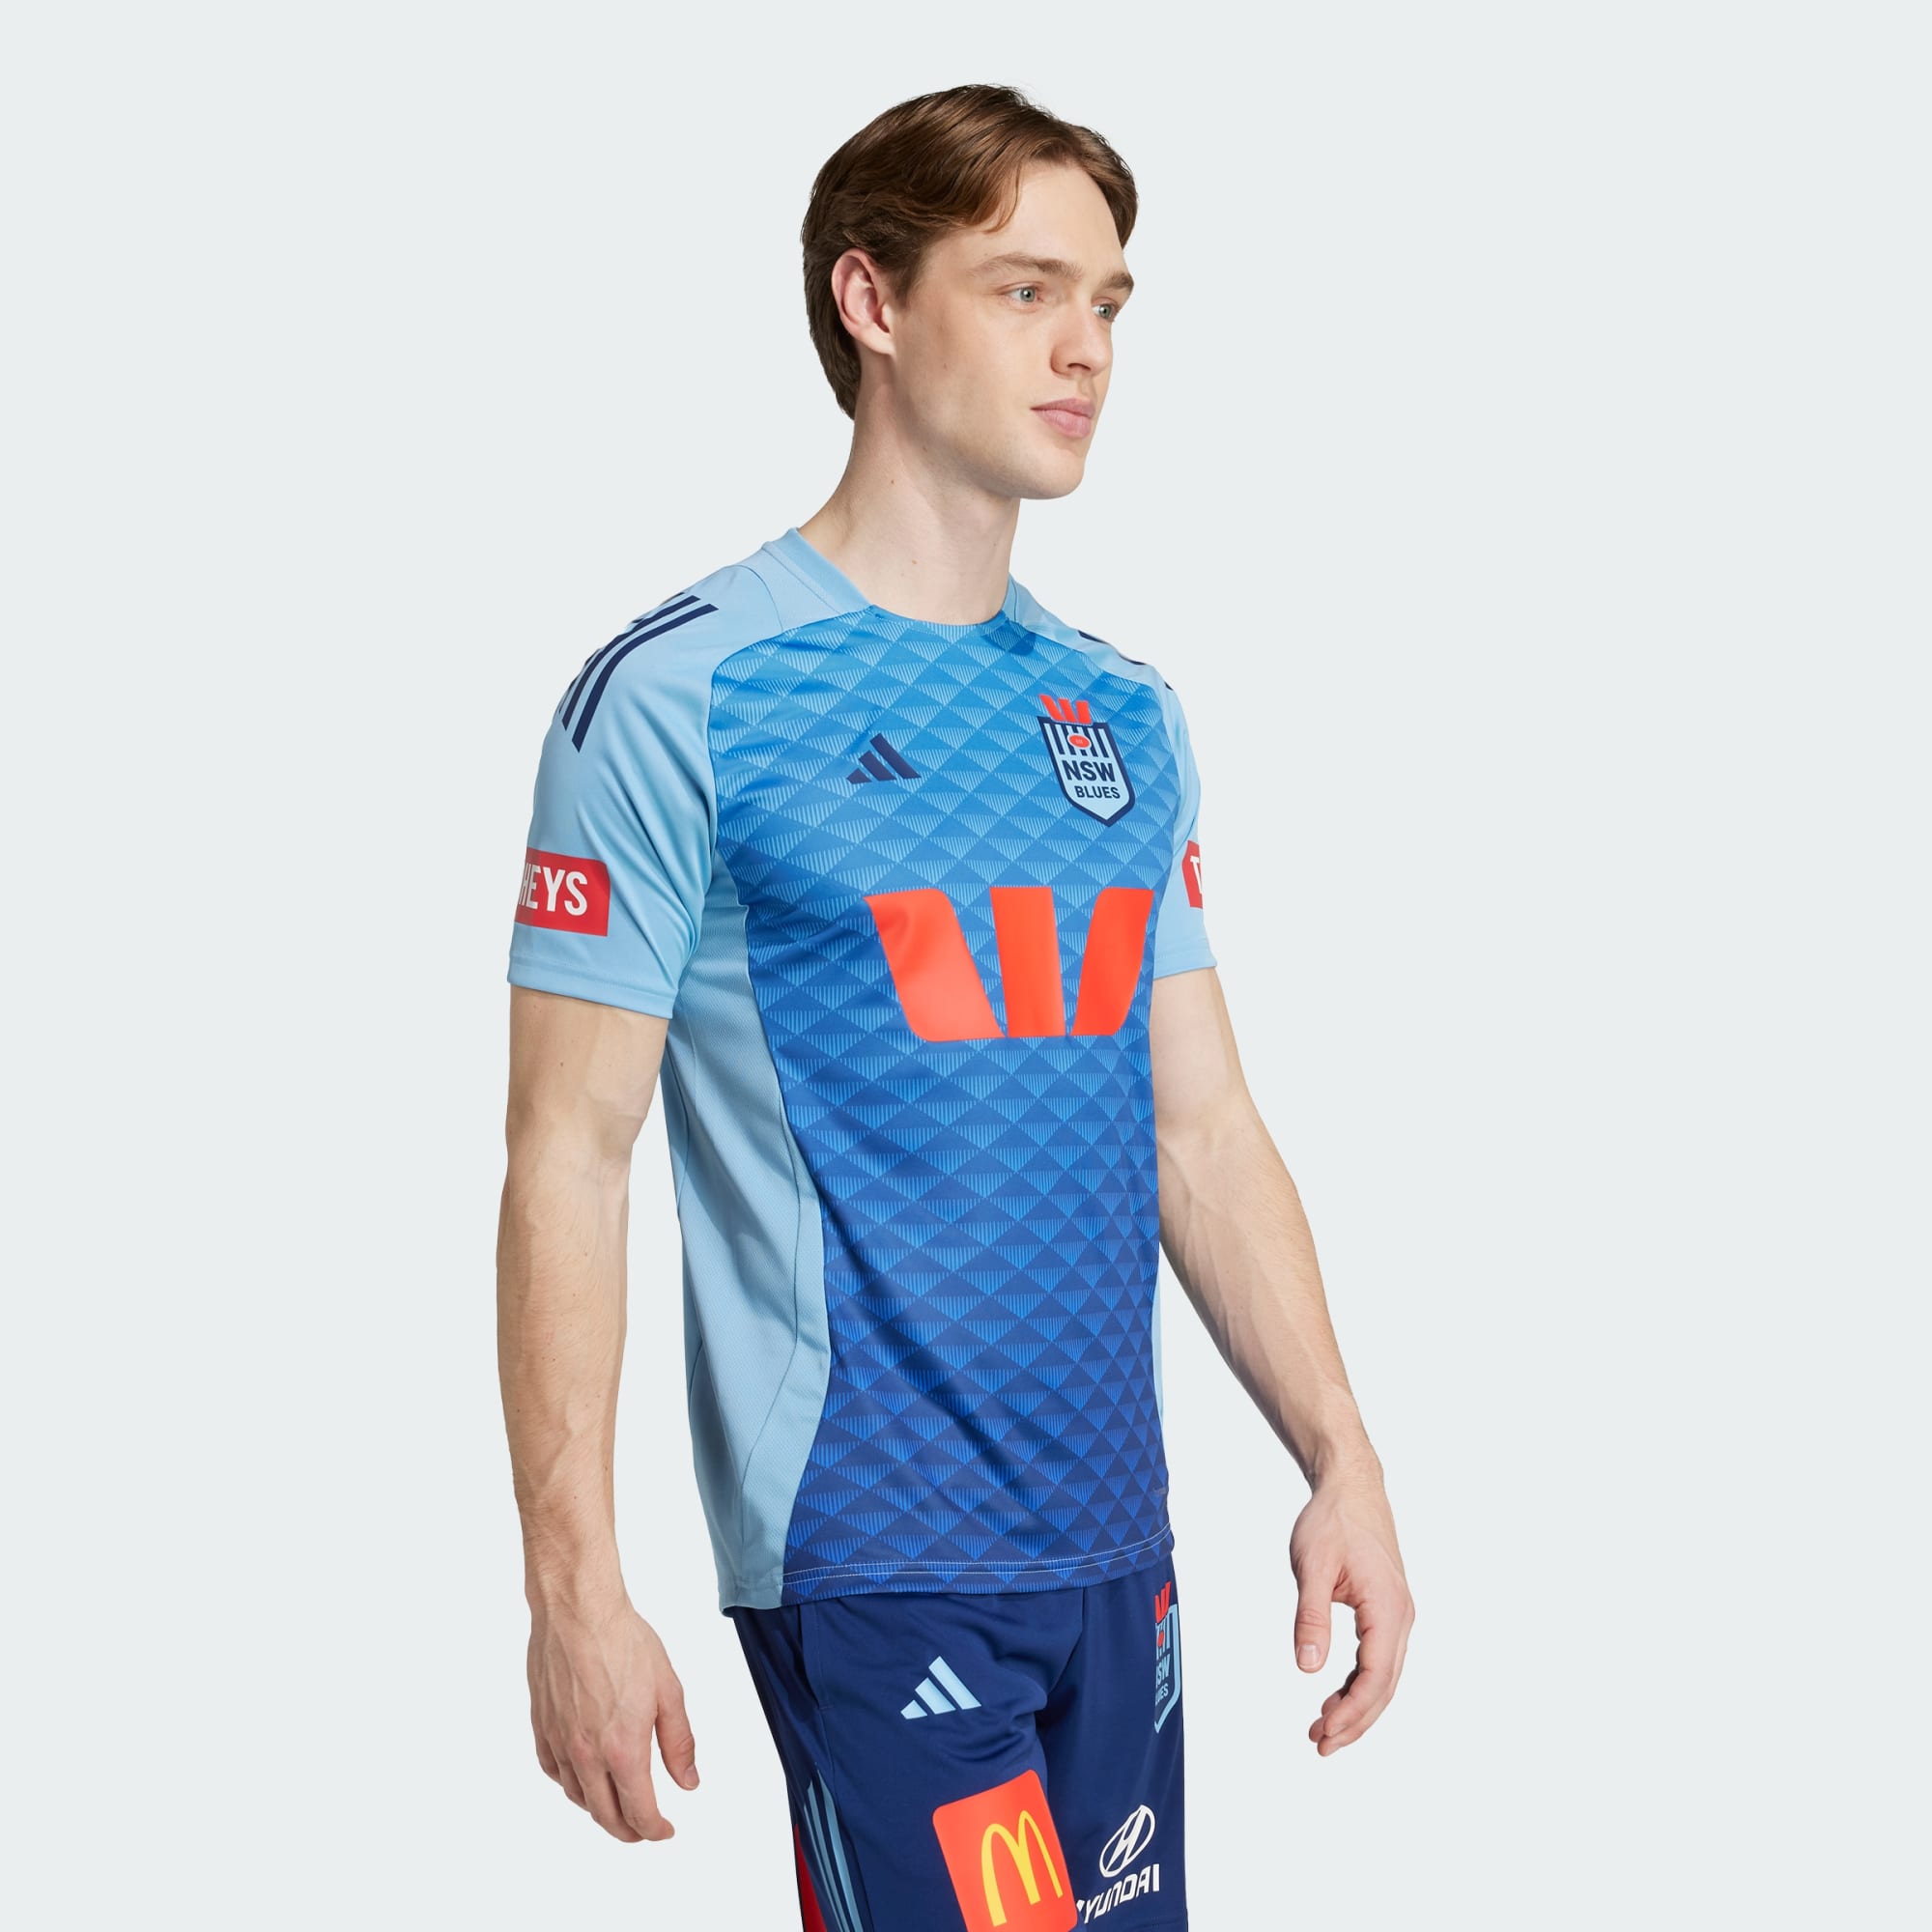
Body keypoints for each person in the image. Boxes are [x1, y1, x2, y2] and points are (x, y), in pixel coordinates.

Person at [497, 81, 1412, 1931]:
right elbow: (565, 1162)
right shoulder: (680, 697)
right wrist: (573, 1585)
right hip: (873, 1554)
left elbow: (1201, 1128)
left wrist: (1342, 1452)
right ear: (873, 302)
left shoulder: (1123, 713)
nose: (1086, 349)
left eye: (1109, 301)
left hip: (1118, 1554)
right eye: (1024, 290)